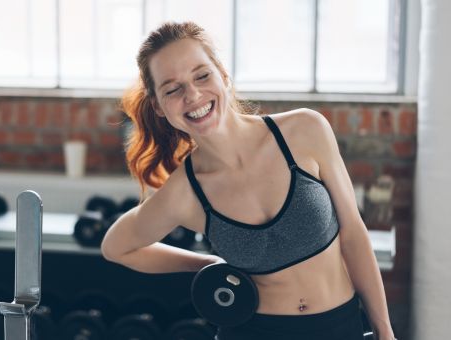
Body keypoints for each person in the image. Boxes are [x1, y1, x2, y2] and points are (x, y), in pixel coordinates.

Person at [100, 21, 396, 340]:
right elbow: (116, 247)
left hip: (340, 326)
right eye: (173, 89)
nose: (193, 95)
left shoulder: (305, 131)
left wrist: (384, 331)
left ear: (223, 75)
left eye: (202, 75)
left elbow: (353, 233)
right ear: (158, 105)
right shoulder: (186, 192)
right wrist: (204, 264)